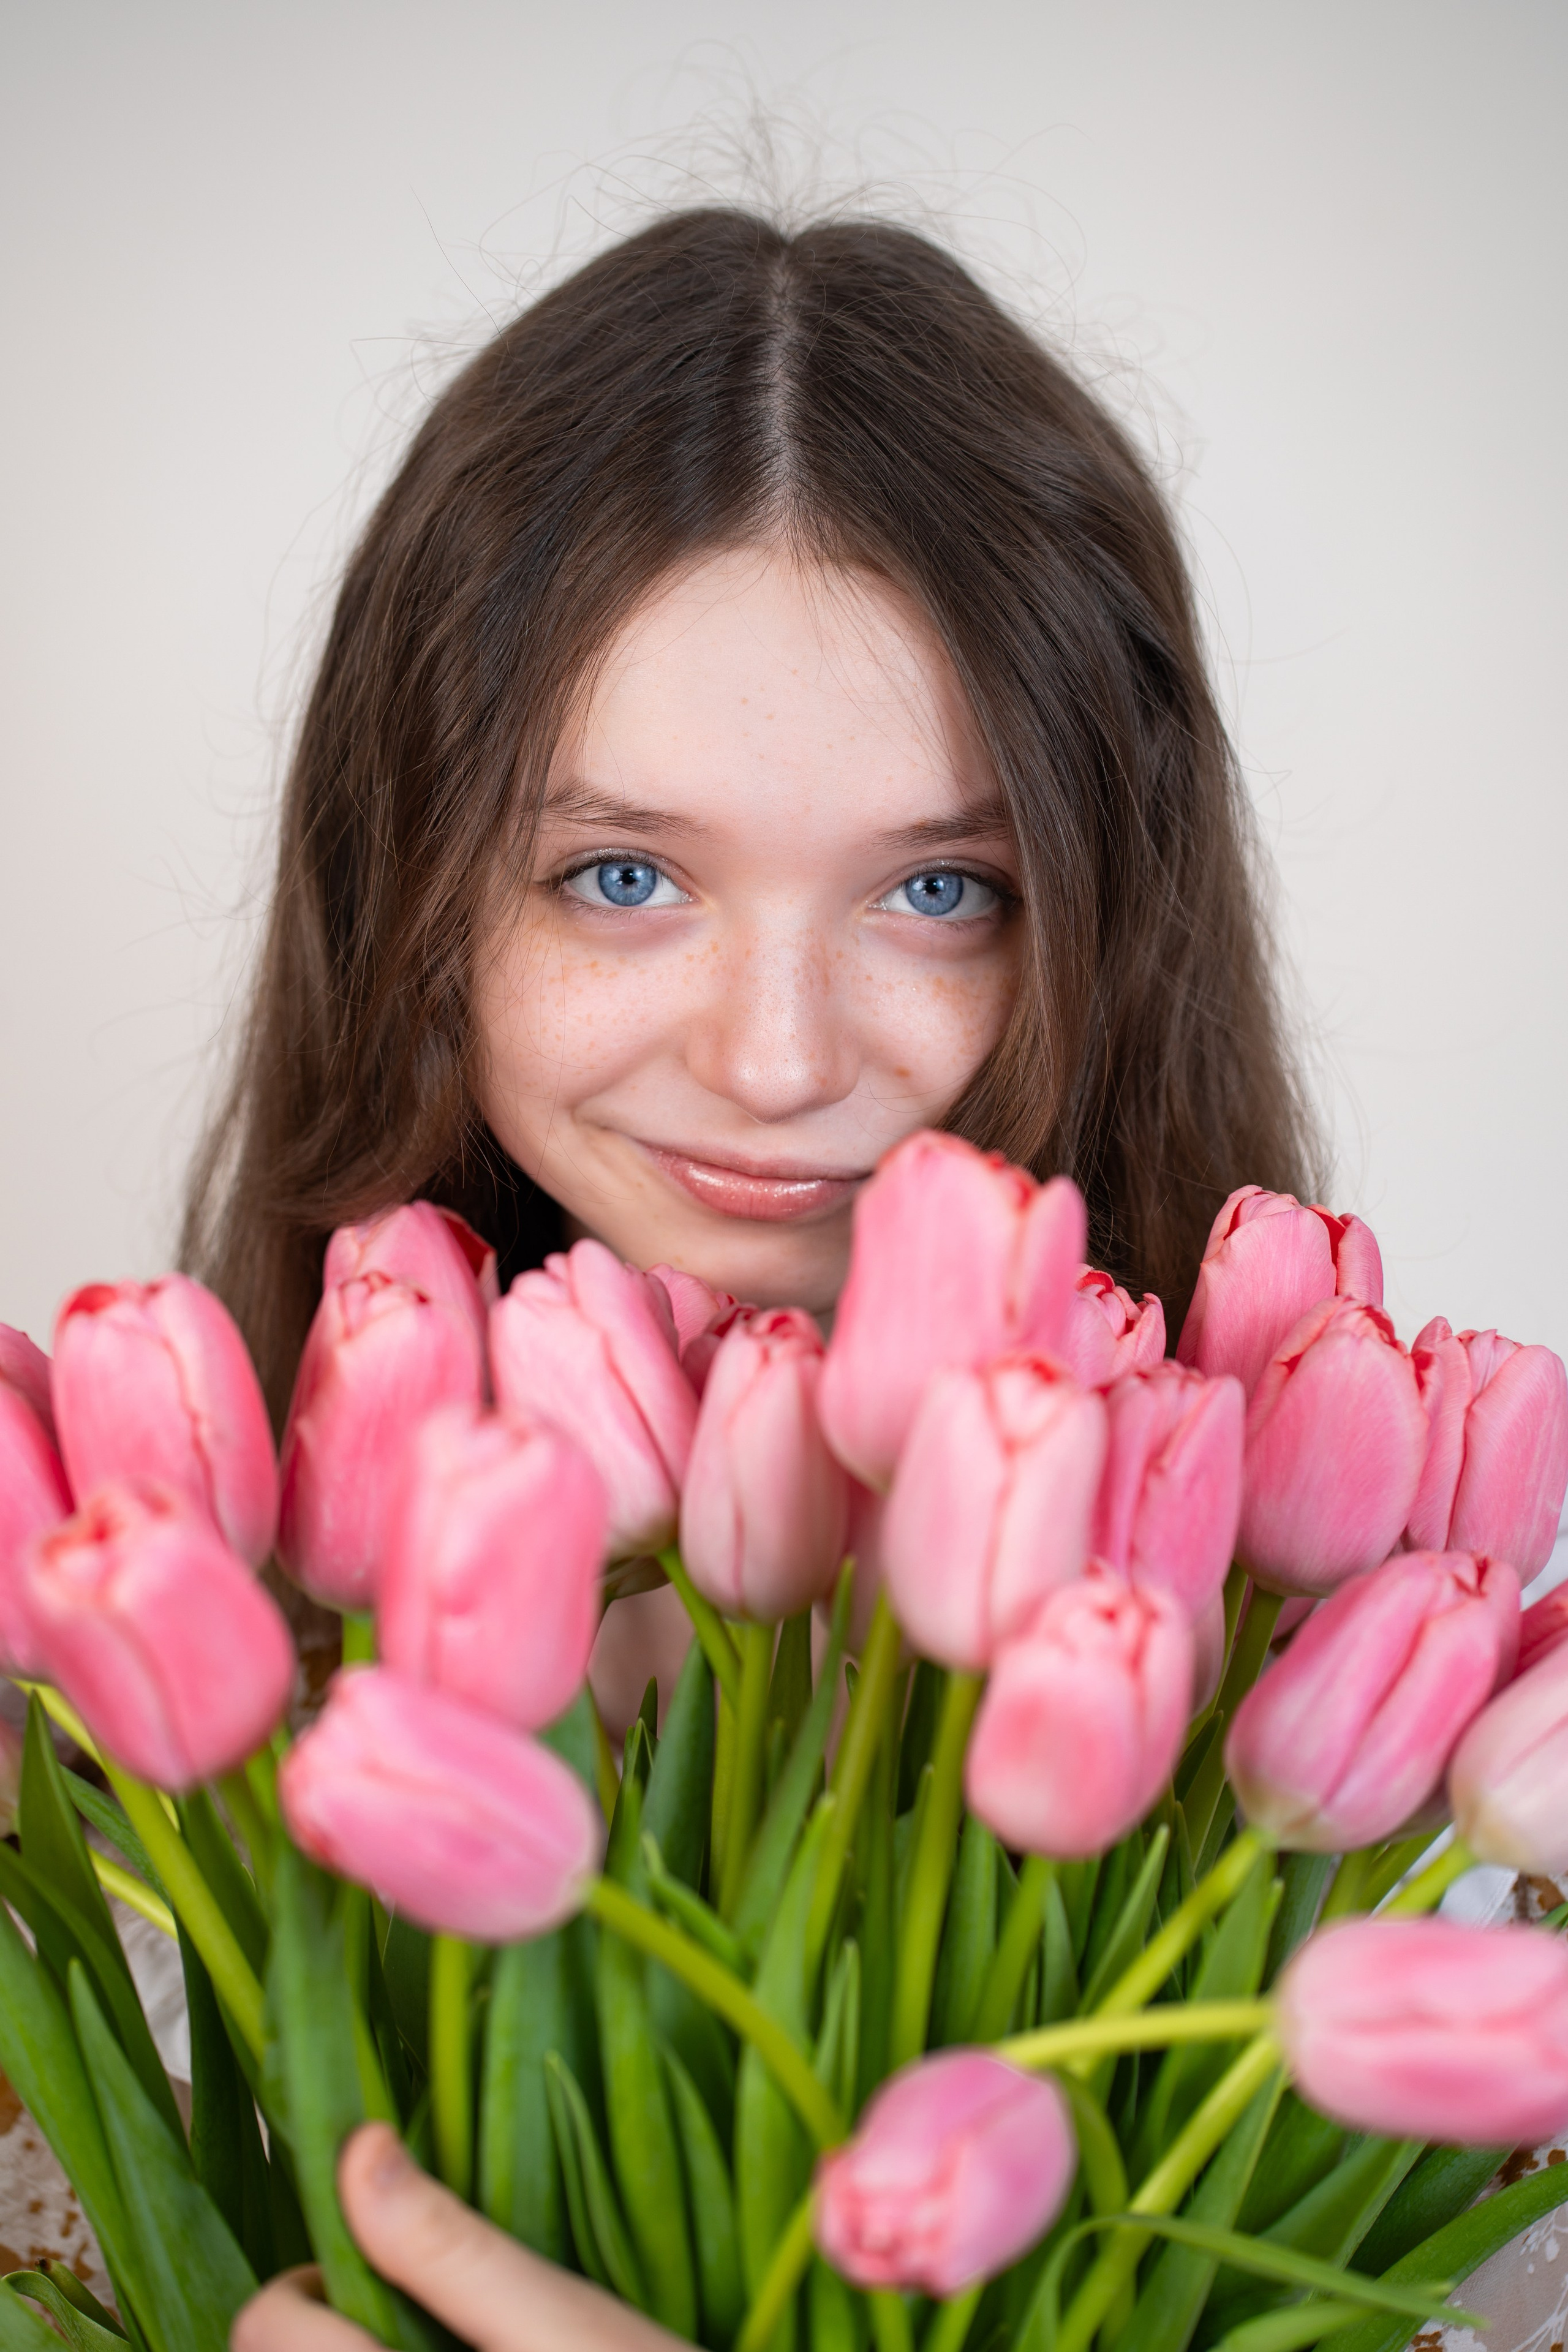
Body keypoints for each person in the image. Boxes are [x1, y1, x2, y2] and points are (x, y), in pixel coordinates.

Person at [194, 205, 1316, 2348]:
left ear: (1116, 913)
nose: (782, 1063)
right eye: (622, 874)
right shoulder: (110, 1768)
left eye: (939, 890)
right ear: (409, 888)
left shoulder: (1423, 1762)